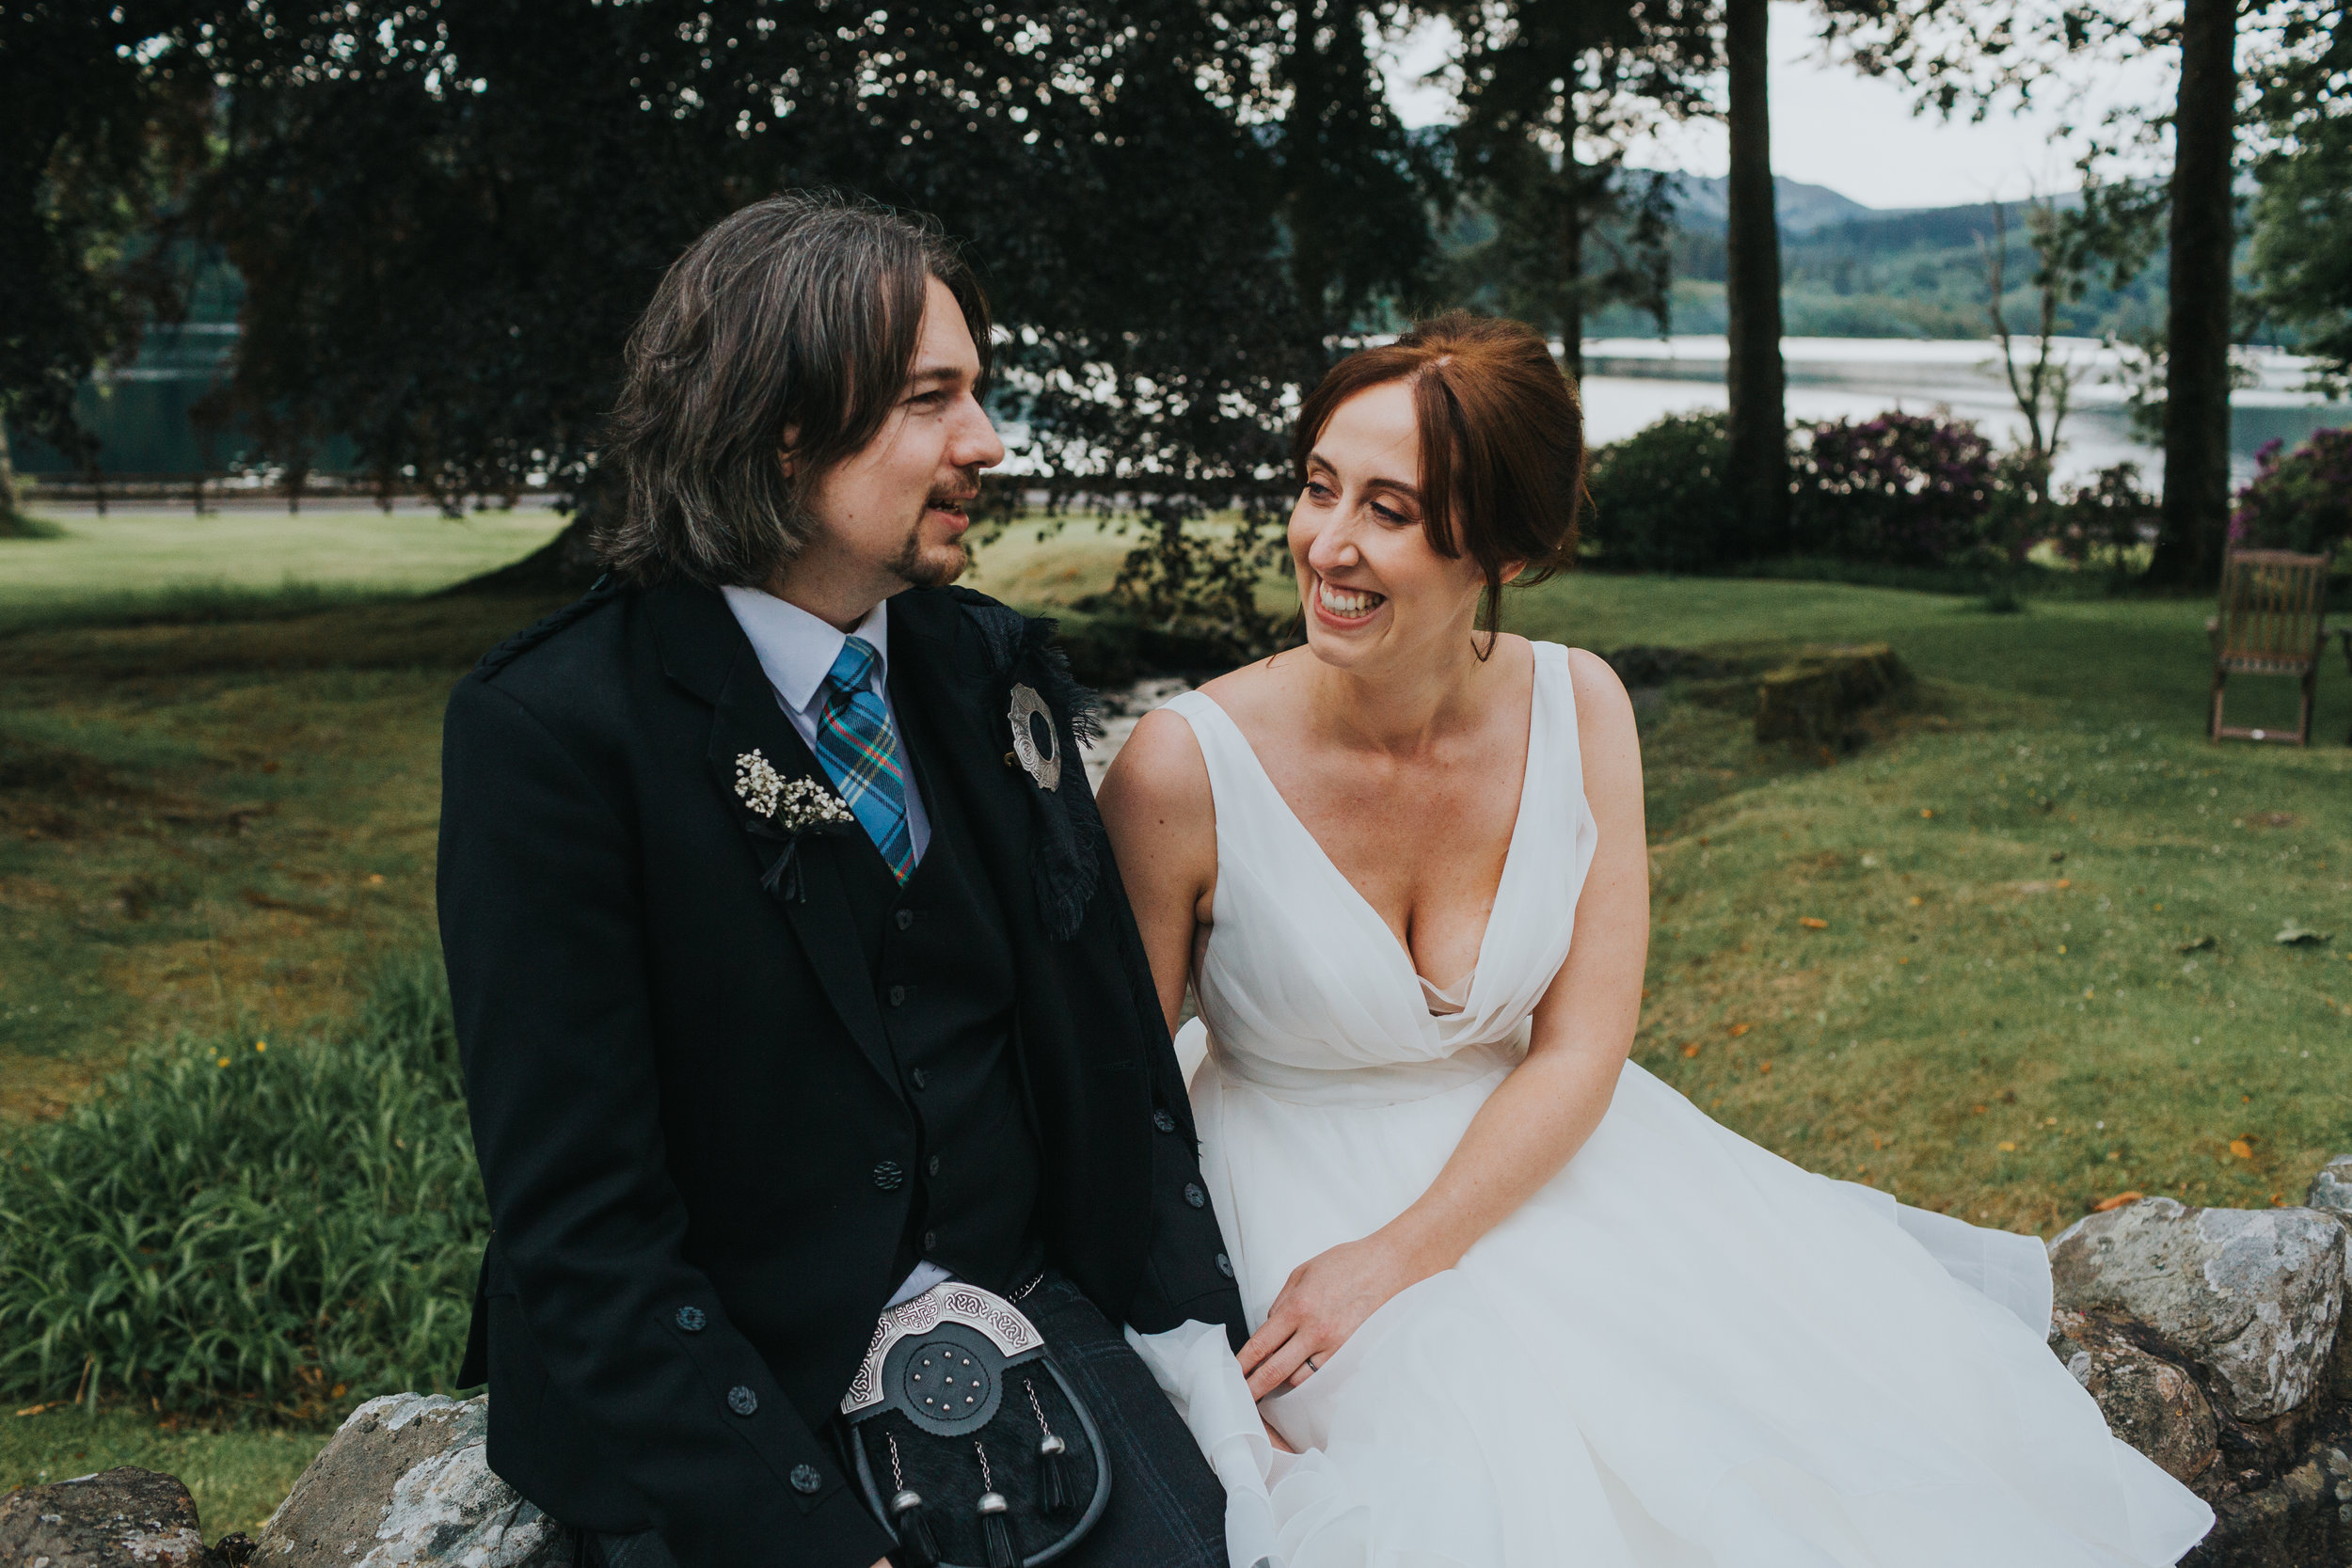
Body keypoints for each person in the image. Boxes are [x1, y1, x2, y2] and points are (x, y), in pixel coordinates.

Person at [1100, 312, 2215, 1566]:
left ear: (1504, 545)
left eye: (1391, 511)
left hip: (1545, 1160)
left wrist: (1401, 1256)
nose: (1328, 545)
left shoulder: (1581, 706)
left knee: (1781, 1454)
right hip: (1277, 1205)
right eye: (1317, 488)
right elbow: (1110, 1104)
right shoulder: (1179, 766)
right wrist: (1198, 1350)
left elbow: (1581, 1046)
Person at [437, 191, 1245, 1568]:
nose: (986, 444)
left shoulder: (986, 667)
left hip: (1025, 1333)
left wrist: (1201, 1359)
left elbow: (1107, 1059)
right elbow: (581, 1224)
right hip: (731, 1402)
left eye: (979, 395)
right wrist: (799, 1537)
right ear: (783, 422)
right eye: (934, 400)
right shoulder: (554, 733)